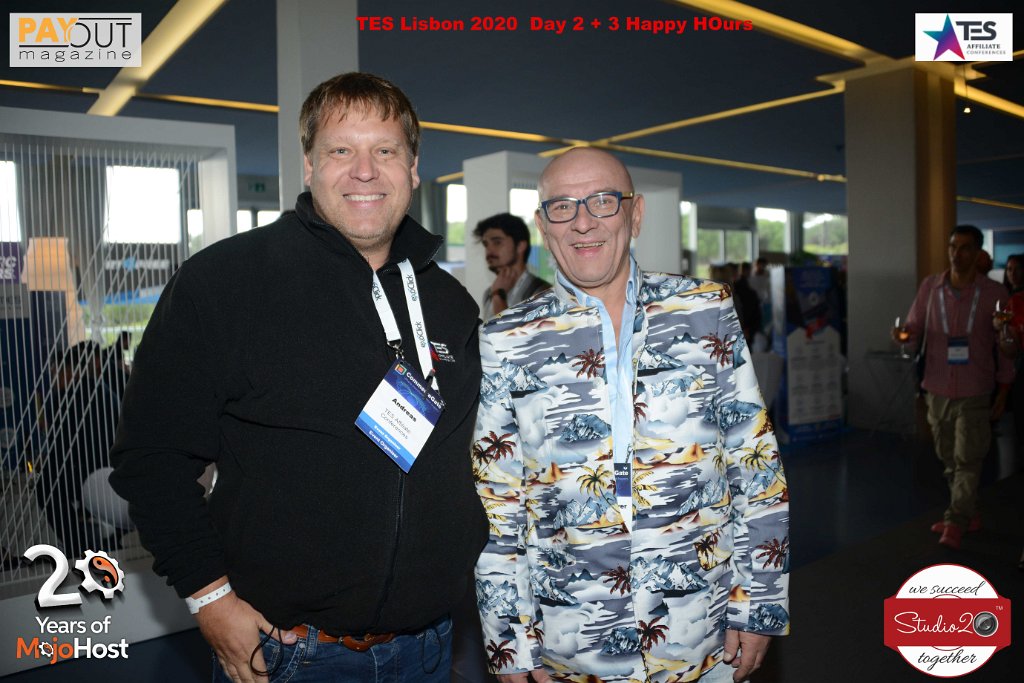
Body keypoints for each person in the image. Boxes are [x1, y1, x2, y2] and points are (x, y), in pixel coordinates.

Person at [109, 72, 486, 683]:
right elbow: (152, 460)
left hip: (431, 645)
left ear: (414, 169)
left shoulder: (449, 302)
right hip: (291, 652)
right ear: (309, 166)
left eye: (385, 150)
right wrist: (210, 598)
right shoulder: (224, 284)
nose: (364, 171)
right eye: (341, 150)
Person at [472, 148, 789, 682]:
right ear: (544, 226)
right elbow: (496, 502)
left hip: (704, 631)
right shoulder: (506, 338)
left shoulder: (704, 310)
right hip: (572, 642)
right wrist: (509, 646)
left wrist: (760, 602)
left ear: (635, 214)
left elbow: (755, 463)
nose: (583, 222)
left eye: (603, 200)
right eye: (563, 206)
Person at [899, 226, 1014, 550]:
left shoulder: (994, 293)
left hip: (975, 387)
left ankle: (956, 520)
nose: (956, 254)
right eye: (952, 246)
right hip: (937, 386)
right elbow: (913, 328)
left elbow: (1006, 347)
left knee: (968, 458)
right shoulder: (930, 287)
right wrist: (904, 336)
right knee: (948, 457)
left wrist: (1004, 390)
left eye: (964, 248)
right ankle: (969, 513)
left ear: (978, 253)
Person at [475, 212, 551, 319]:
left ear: (520, 246)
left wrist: (498, 296)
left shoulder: (543, 292)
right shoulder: (489, 293)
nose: (489, 250)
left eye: (497, 242)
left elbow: (507, 329)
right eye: (486, 244)